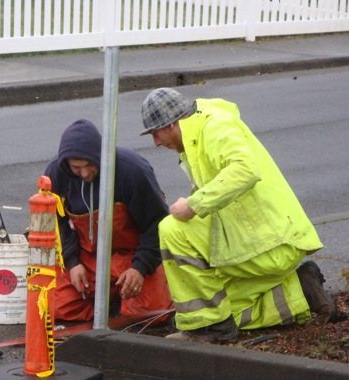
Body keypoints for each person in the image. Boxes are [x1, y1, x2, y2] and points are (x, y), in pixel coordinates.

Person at [139, 87, 337, 342]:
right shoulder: (199, 134)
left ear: (173, 123)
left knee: (172, 228)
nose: (156, 143)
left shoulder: (214, 126)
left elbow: (245, 168)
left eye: (156, 133)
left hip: (270, 242)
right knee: (219, 310)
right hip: (260, 240)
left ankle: (208, 330)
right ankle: (302, 289)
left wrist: (192, 205)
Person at [44, 119, 174, 323]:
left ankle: (138, 288)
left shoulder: (133, 171)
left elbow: (158, 224)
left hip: (132, 255)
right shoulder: (55, 173)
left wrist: (140, 267)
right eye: (77, 168)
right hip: (87, 258)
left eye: (89, 165)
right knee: (56, 305)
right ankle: (111, 295)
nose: (85, 173)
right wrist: (72, 262)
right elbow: (56, 223)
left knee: (151, 315)